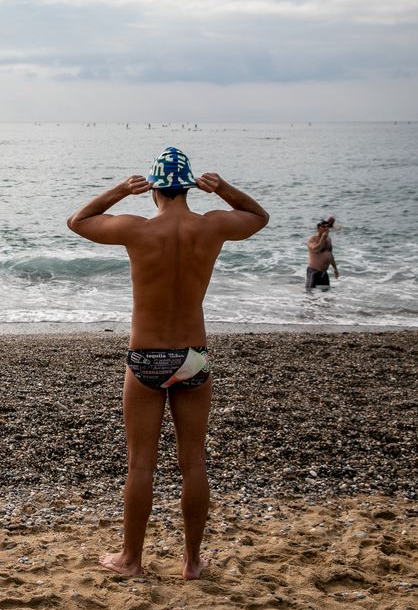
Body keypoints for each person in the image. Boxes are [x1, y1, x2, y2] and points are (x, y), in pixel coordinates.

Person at [67, 147, 268, 579]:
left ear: (155, 190)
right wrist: (223, 188)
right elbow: (258, 216)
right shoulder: (211, 226)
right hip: (192, 357)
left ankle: (131, 559)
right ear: (189, 187)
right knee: (193, 463)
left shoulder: (137, 230)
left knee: (141, 464)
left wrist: (121, 190)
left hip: (147, 357)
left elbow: (78, 221)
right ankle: (192, 561)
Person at [306, 220, 339, 290]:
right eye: (323, 227)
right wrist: (323, 238)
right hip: (313, 271)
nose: (326, 228)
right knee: (310, 292)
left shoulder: (329, 240)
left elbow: (330, 255)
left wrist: (335, 269)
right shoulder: (312, 239)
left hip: (324, 272)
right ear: (318, 228)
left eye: (327, 227)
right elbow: (316, 249)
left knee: (326, 293)